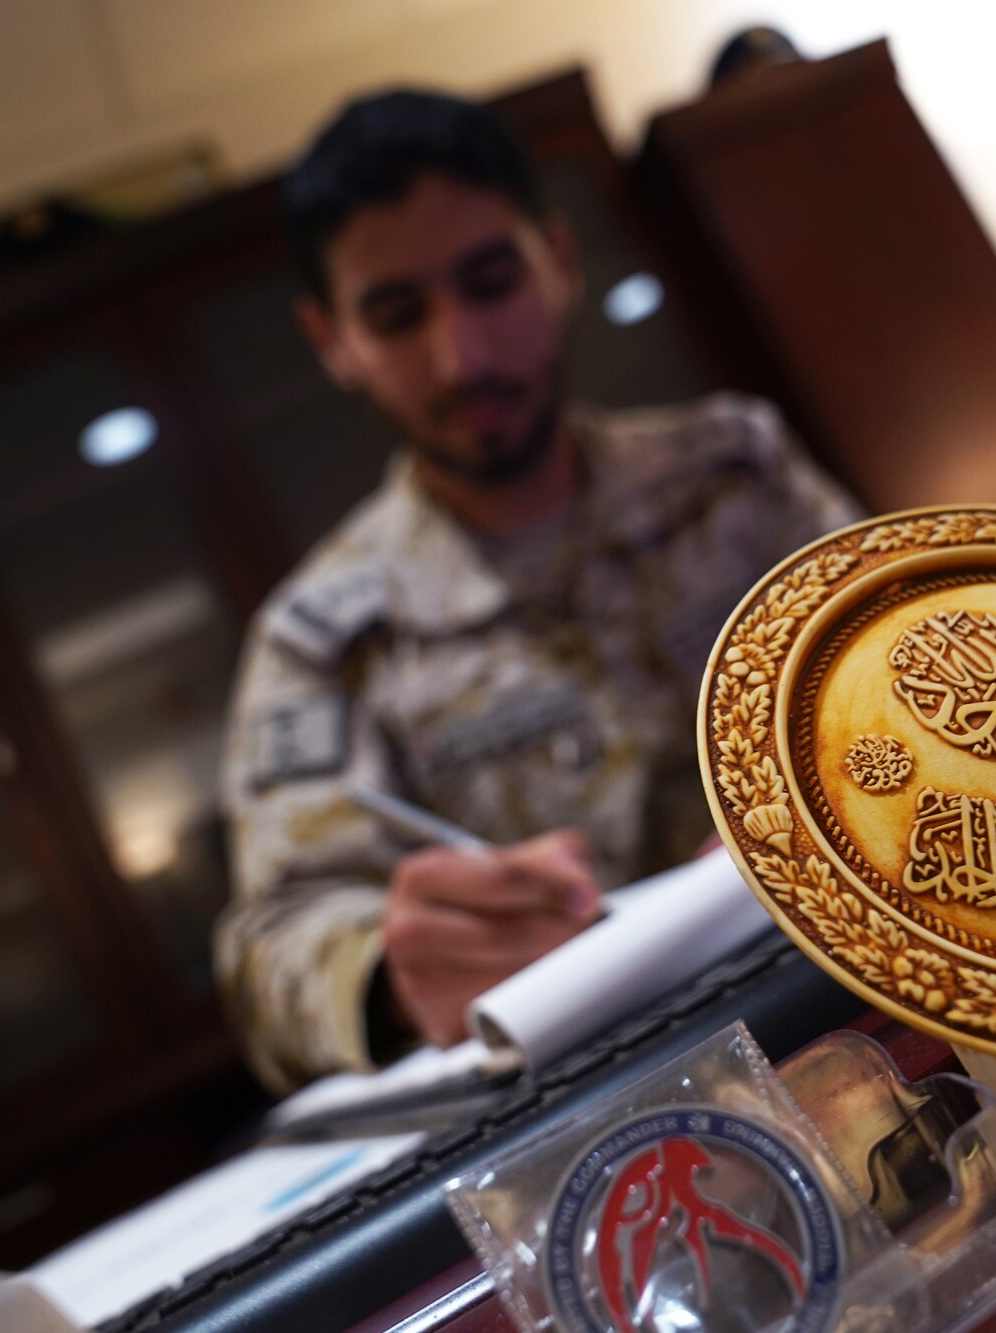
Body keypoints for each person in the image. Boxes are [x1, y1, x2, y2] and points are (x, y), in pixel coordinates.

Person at [215, 88, 860, 1092]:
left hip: (865, 992)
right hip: (607, 1110)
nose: (460, 354)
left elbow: (914, 656)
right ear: (331, 340)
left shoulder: (735, 473)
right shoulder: (327, 637)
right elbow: (271, 949)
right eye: (395, 315)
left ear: (558, 263)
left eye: (489, 281)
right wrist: (387, 970)